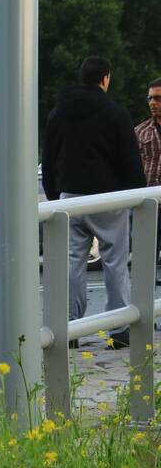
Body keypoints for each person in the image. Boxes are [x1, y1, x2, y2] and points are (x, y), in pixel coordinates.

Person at [42, 56, 145, 349]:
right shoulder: (115, 113)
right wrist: (135, 195)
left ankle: (71, 327)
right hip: (108, 198)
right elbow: (129, 159)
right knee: (114, 262)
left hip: (68, 198)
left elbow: (48, 158)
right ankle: (120, 328)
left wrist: (54, 196)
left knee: (72, 262)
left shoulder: (58, 112)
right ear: (105, 78)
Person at [133, 77, 161, 269]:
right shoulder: (140, 132)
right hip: (149, 204)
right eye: (150, 98)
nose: (152, 102)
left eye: (158, 98)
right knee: (146, 260)